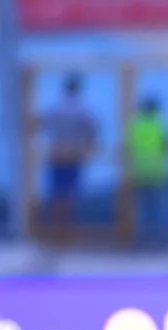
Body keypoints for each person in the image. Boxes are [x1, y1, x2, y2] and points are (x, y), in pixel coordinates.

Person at [39, 73, 96, 238]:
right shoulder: (82, 110)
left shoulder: (55, 108)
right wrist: (88, 148)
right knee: (70, 195)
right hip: (73, 155)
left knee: (57, 194)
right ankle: (66, 231)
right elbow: (91, 131)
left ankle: (57, 230)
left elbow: (43, 125)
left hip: (56, 154)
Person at [127, 95, 168, 248]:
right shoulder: (161, 123)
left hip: (140, 171)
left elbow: (128, 148)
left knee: (142, 209)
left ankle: (141, 240)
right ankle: (163, 240)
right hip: (159, 171)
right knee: (161, 208)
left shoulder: (135, 125)